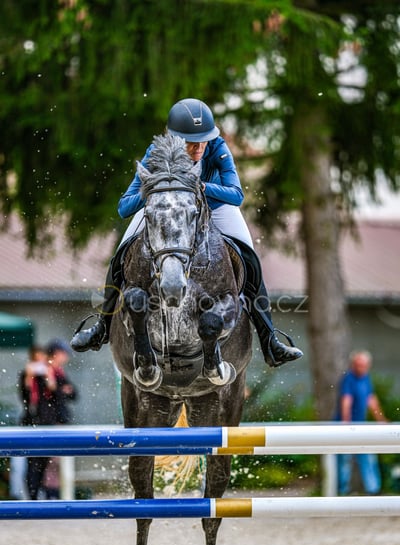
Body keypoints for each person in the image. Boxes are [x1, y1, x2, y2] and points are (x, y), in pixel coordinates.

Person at [71, 98, 303, 367]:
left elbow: (236, 195)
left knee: (249, 258)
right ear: (175, 138)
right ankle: (102, 327)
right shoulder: (156, 152)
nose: (199, 147)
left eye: (203, 140)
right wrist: (154, 188)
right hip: (166, 210)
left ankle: (269, 340)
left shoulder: (217, 147)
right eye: (192, 142)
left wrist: (200, 187)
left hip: (216, 208)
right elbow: (124, 207)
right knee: (122, 253)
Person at [18, 340, 77, 500]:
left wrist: (53, 385)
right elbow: (26, 399)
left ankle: (49, 497)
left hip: (49, 423)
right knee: (34, 463)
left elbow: (70, 395)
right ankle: (33, 498)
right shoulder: (30, 376)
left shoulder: (54, 373)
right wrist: (28, 378)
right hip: (34, 423)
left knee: (48, 463)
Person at [336, 350, 388, 496]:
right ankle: (343, 491)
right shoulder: (349, 379)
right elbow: (346, 401)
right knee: (345, 459)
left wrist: (381, 420)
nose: (361, 368)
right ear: (353, 365)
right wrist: (346, 423)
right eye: (358, 365)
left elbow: (371, 400)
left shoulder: (366, 378)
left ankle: (373, 490)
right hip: (347, 426)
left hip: (361, 426)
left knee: (367, 457)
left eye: (364, 365)